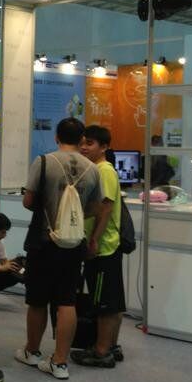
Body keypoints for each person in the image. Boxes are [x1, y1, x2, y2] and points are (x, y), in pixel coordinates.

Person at [16, 118, 102, 380]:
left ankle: (32, 351)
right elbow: (94, 208)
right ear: (82, 139)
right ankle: (60, 362)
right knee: (67, 300)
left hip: (43, 241)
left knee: (37, 300)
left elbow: (28, 201)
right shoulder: (92, 169)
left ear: (56, 137)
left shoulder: (44, 162)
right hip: (74, 243)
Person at [72, 125, 125, 369]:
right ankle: (110, 346)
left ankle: (101, 351)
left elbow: (105, 209)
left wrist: (93, 240)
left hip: (103, 247)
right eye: (82, 142)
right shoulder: (97, 169)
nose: (84, 147)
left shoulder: (103, 171)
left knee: (104, 303)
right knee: (112, 300)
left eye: (90, 143)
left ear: (104, 147)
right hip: (106, 246)